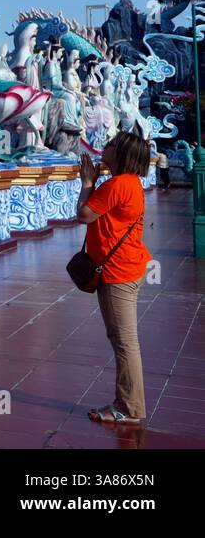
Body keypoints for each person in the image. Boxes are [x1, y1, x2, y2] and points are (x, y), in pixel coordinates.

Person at [77, 130, 154, 426]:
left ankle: (129, 407)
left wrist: (87, 184)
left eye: (109, 144)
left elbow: (84, 214)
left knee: (124, 342)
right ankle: (128, 403)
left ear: (120, 154)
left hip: (117, 271)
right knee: (122, 339)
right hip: (127, 266)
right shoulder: (130, 183)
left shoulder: (118, 184)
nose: (104, 147)